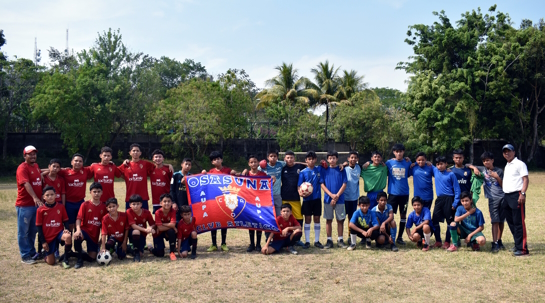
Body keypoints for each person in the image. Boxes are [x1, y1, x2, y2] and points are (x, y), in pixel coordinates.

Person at [466, 151, 506, 253]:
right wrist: (474, 168)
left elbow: (504, 187)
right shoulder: (483, 170)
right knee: (494, 221)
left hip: (502, 198)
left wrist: (497, 177)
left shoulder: (499, 171)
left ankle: (499, 240)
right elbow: (467, 164)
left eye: (488, 160)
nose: (486, 163)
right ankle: (494, 243)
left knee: (501, 221)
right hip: (492, 199)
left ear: (492, 160)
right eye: (484, 161)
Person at [201, 151, 238, 252]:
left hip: (225, 200)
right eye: (214, 159)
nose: (216, 160)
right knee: (214, 221)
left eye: (218, 158)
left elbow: (236, 180)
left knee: (223, 221)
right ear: (212, 162)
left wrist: (235, 174)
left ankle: (223, 243)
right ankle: (213, 244)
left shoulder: (227, 170)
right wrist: (203, 174)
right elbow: (204, 182)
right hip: (213, 200)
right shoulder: (211, 172)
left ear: (222, 160)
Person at [16, 145, 43, 264]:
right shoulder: (22, 168)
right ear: (24, 156)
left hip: (35, 205)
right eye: (30, 154)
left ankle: (32, 252)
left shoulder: (36, 166)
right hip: (25, 205)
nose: (33, 156)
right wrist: (35, 198)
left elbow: (40, 174)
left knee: (33, 230)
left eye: (34, 154)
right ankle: (25, 255)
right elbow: (26, 184)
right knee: (23, 232)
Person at [501, 144, 529, 257]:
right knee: (510, 221)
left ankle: (522, 249)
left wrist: (522, 193)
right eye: (505, 152)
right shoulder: (507, 165)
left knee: (518, 222)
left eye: (509, 151)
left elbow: (525, 179)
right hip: (507, 196)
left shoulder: (519, 164)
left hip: (516, 195)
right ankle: (517, 244)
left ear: (514, 152)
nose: (507, 153)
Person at [73, 182, 107, 269]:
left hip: (94, 235)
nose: (96, 194)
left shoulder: (104, 207)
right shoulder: (85, 204)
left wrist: (101, 240)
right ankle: (79, 259)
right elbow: (78, 219)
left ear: (102, 192)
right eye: (94, 191)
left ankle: (73, 254)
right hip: (85, 231)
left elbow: (105, 225)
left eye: (98, 191)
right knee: (77, 237)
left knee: (92, 258)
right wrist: (78, 230)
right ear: (90, 193)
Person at [36, 186, 71, 268]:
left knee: (68, 236)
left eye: (52, 194)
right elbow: (39, 227)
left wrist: (67, 229)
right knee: (51, 262)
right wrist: (43, 242)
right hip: (48, 237)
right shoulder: (40, 210)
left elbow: (65, 220)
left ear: (56, 195)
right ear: (43, 197)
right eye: (47, 195)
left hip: (59, 233)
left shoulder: (61, 207)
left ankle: (65, 259)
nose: (50, 197)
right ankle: (45, 254)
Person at [57, 153, 93, 233]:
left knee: (80, 225)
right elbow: (52, 169)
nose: (78, 163)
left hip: (80, 202)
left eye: (80, 161)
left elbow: (96, 166)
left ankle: (77, 244)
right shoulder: (65, 172)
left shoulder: (85, 171)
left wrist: (110, 163)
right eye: (76, 161)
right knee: (70, 225)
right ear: (71, 162)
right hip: (69, 203)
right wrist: (42, 173)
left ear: (82, 163)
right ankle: (68, 244)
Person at [431, 156, 461, 249]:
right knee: (434, 220)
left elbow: (457, 189)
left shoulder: (451, 174)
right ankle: (438, 241)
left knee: (449, 221)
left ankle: (447, 241)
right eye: (438, 164)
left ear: (446, 164)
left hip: (449, 199)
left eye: (442, 164)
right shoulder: (435, 170)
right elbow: (425, 163)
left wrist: (455, 203)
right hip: (439, 199)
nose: (440, 166)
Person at [384, 143, 412, 245]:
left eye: (401, 151)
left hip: (404, 194)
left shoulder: (408, 162)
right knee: (389, 215)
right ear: (394, 152)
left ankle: (400, 237)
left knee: (403, 215)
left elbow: (418, 164)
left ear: (403, 152)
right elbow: (377, 163)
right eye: (397, 152)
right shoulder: (389, 163)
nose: (399, 153)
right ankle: (388, 236)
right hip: (392, 194)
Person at [320, 150, 348, 249]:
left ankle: (340, 239)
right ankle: (329, 240)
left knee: (340, 220)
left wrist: (336, 196)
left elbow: (344, 184)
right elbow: (322, 184)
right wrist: (331, 195)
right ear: (327, 159)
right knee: (329, 220)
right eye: (330, 158)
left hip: (340, 199)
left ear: (337, 159)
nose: (332, 160)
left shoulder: (341, 169)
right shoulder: (323, 169)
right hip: (328, 199)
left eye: (334, 158)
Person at [297, 151, 324, 249]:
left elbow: (327, 166)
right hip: (307, 200)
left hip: (317, 199)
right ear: (306, 160)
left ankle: (317, 241)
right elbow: (299, 186)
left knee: (317, 219)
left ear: (315, 159)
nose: (311, 161)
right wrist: (300, 192)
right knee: (307, 219)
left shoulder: (319, 169)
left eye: (313, 159)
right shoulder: (303, 172)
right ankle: (307, 241)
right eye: (309, 159)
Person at [118, 143, 156, 211]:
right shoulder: (126, 165)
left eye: (137, 151)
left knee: (143, 218)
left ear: (140, 153)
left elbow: (157, 166)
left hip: (143, 197)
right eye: (134, 151)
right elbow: (115, 172)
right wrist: (125, 177)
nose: (135, 152)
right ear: (130, 153)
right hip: (130, 197)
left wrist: (168, 165)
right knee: (129, 219)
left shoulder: (145, 164)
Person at [242, 155, 268, 252]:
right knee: (251, 223)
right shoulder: (245, 174)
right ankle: (252, 243)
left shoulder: (263, 174)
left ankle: (258, 244)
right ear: (249, 164)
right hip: (249, 202)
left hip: (260, 202)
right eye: (251, 162)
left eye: (255, 162)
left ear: (258, 163)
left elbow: (267, 187)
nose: (253, 164)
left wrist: (272, 180)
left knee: (259, 222)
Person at [126, 194, 156, 262]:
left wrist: (150, 228)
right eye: (133, 204)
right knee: (136, 231)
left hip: (142, 234)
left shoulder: (147, 212)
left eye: (138, 204)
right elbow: (133, 226)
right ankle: (135, 253)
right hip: (132, 234)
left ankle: (130, 249)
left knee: (141, 254)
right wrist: (145, 229)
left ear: (141, 204)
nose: (136, 206)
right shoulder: (129, 211)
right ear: (130, 205)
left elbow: (153, 224)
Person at [151, 193, 178, 260]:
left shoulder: (173, 211)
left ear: (171, 203)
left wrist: (162, 224)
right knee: (160, 254)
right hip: (159, 233)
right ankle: (151, 249)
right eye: (165, 201)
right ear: (161, 203)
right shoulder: (157, 212)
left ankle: (172, 252)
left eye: (169, 201)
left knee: (172, 231)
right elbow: (160, 228)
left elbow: (172, 224)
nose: (167, 203)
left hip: (167, 231)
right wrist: (171, 226)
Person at [258, 150, 284, 217]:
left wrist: (306, 164)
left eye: (275, 156)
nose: (273, 158)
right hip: (266, 194)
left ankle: (278, 227)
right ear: (267, 157)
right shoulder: (262, 167)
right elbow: (254, 173)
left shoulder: (280, 164)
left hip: (277, 194)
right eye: (271, 156)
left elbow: (292, 163)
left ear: (277, 157)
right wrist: (246, 170)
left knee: (279, 215)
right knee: (267, 215)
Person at [344, 151, 362, 244]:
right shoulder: (343, 168)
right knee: (342, 218)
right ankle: (340, 237)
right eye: (351, 157)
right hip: (344, 197)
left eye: (355, 157)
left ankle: (349, 236)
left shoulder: (359, 168)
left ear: (357, 159)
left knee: (351, 218)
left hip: (354, 198)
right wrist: (341, 165)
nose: (353, 159)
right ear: (348, 158)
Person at [170, 158, 192, 222]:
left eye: (189, 165)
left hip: (187, 204)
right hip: (178, 203)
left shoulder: (191, 176)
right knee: (177, 222)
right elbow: (171, 190)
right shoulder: (175, 175)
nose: (187, 166)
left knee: (186, 222)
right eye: (186, 164)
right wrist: (173, 202)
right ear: (182, 164)